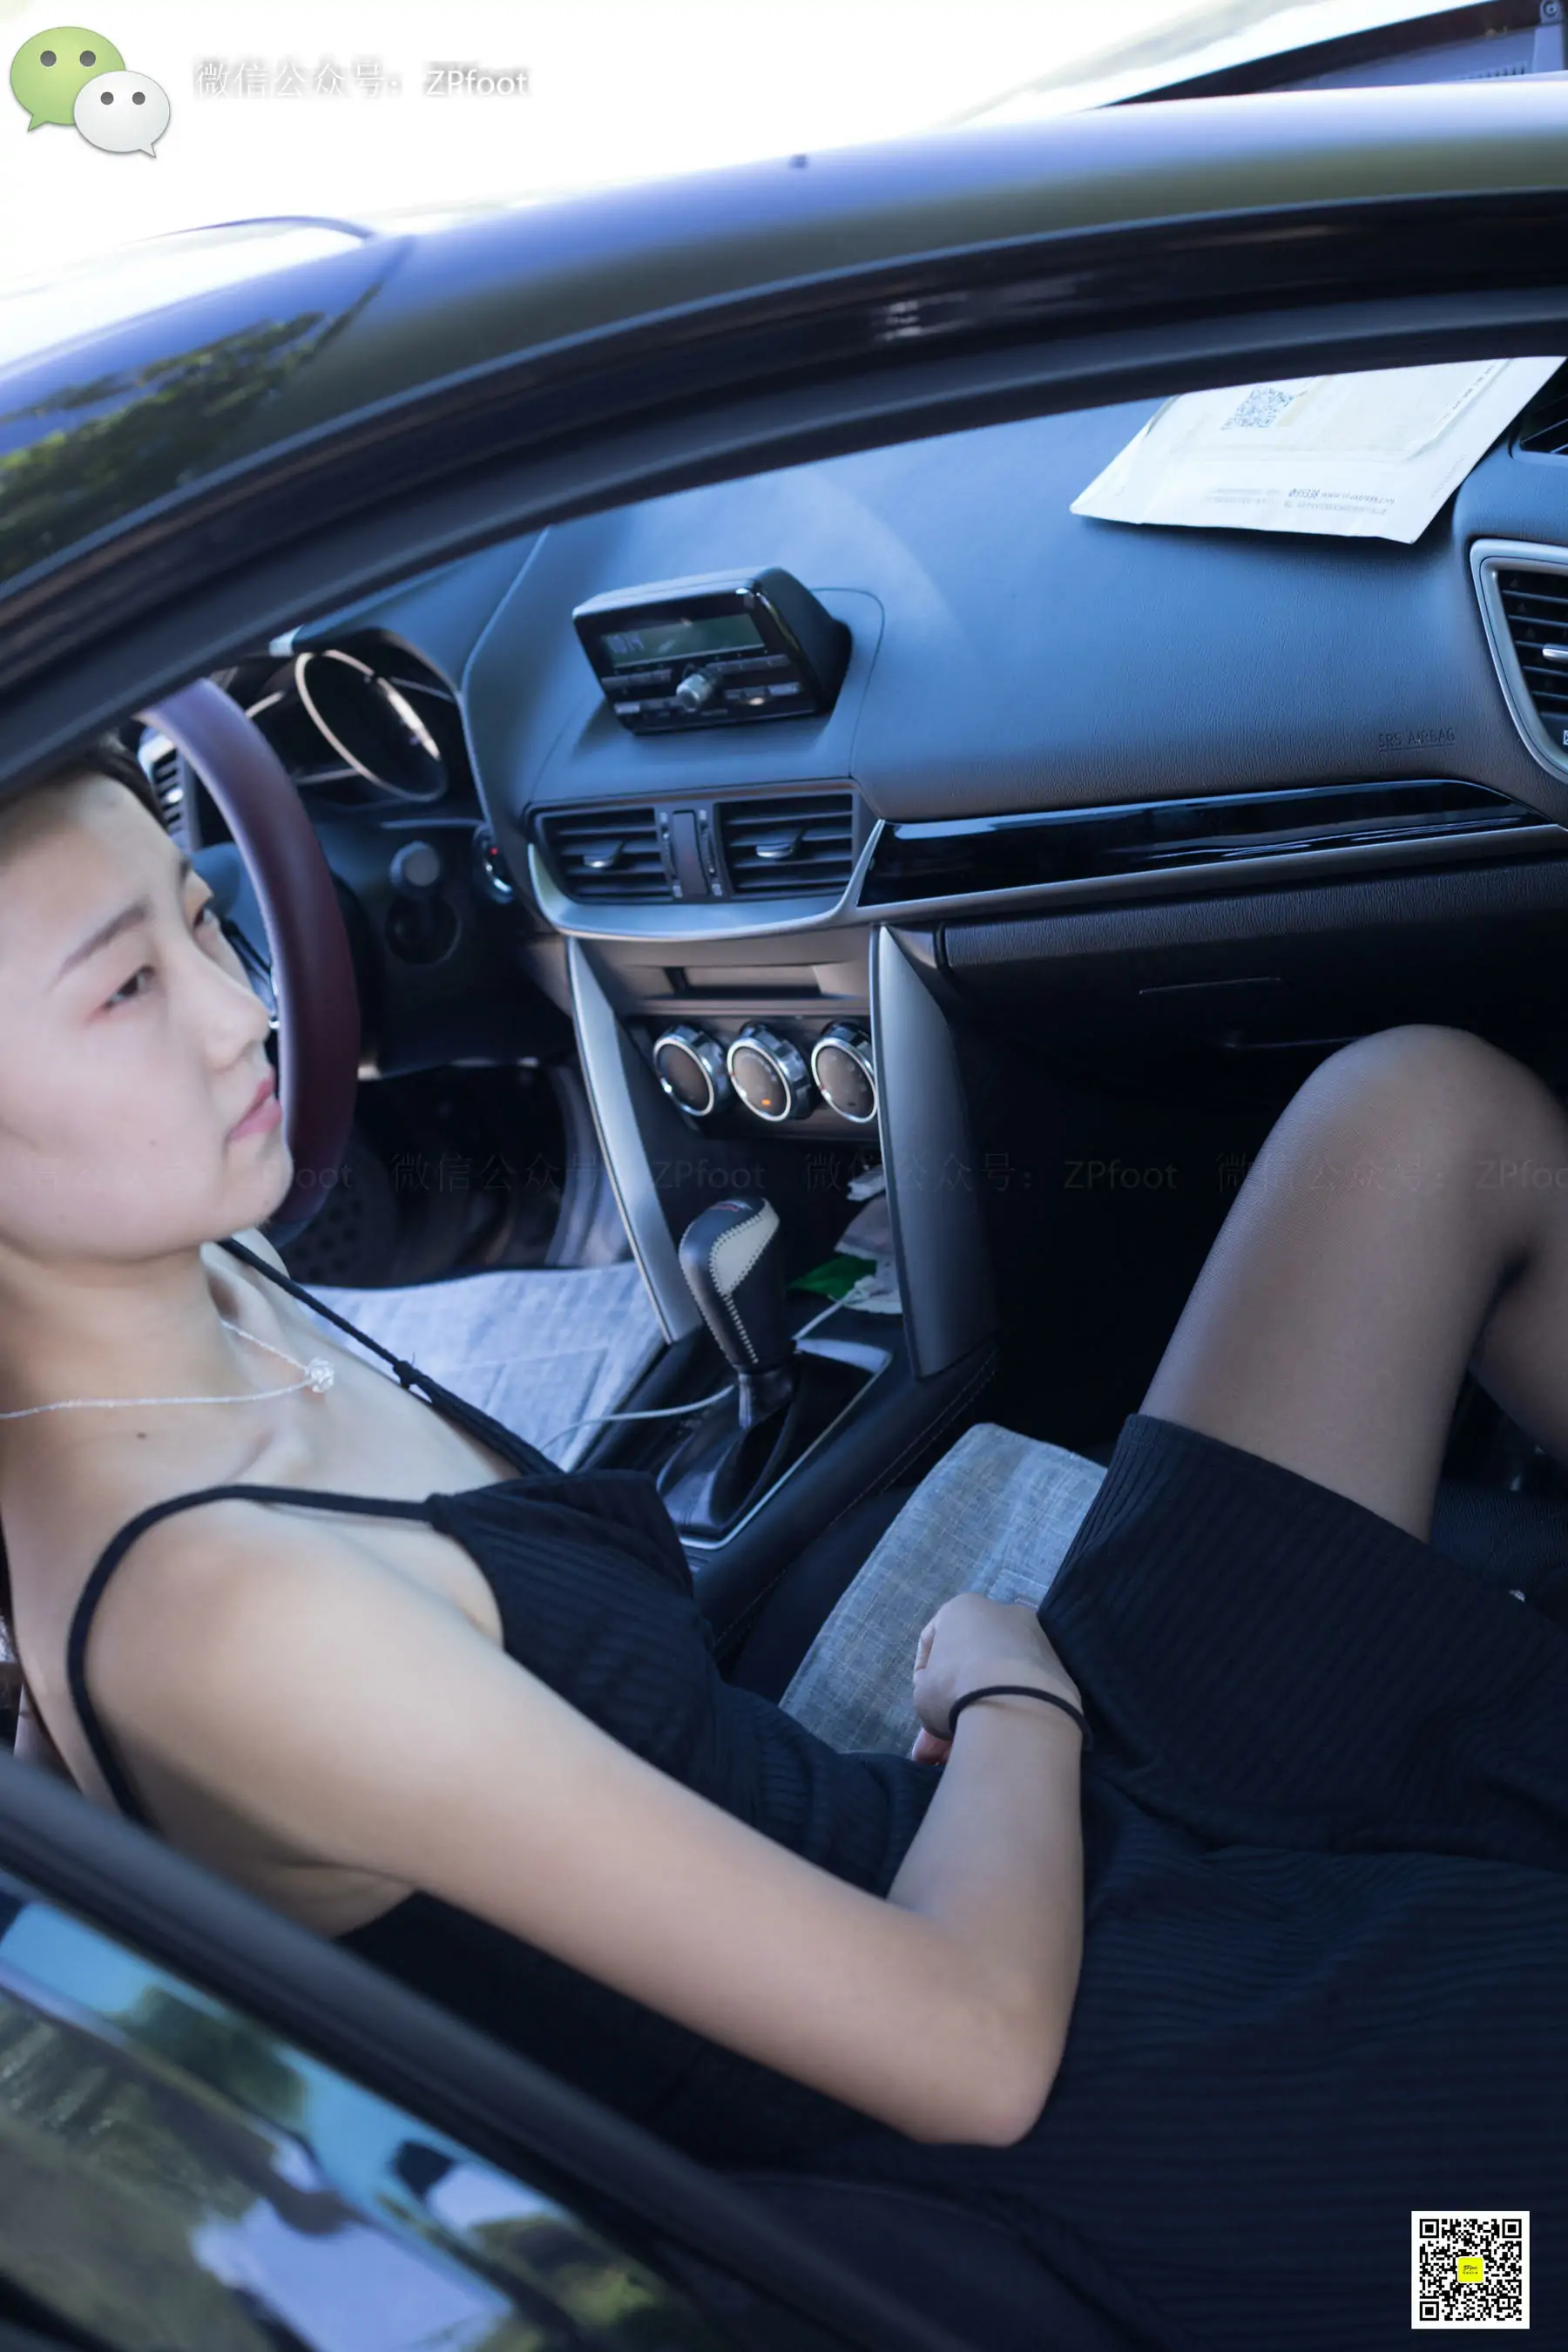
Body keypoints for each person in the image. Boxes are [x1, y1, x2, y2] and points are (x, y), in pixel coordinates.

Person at [0, 744, 1564, 2350]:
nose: (240, 1013)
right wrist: (1016, 1698)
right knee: (1509, 2250)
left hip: (987, 1837)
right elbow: (974, 2056)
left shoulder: (199, 1296)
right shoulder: (220, 1616)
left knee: (1420, 1123)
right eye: (125, 988)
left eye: (204, 919)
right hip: (1074, 2093)